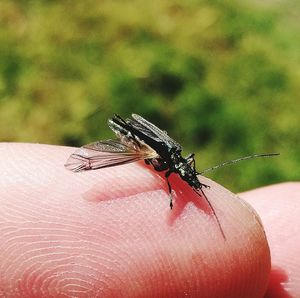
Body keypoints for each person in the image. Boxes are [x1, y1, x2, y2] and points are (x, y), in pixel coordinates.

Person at [0, 143, 298, 297]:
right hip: (141, 145)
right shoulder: (167, 165)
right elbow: (165, 172)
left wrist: (189, 178)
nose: (188, 177)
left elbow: (182, 169)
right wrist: (172, 191)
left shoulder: (181, 163)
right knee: (147, 163)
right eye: (186, 174)